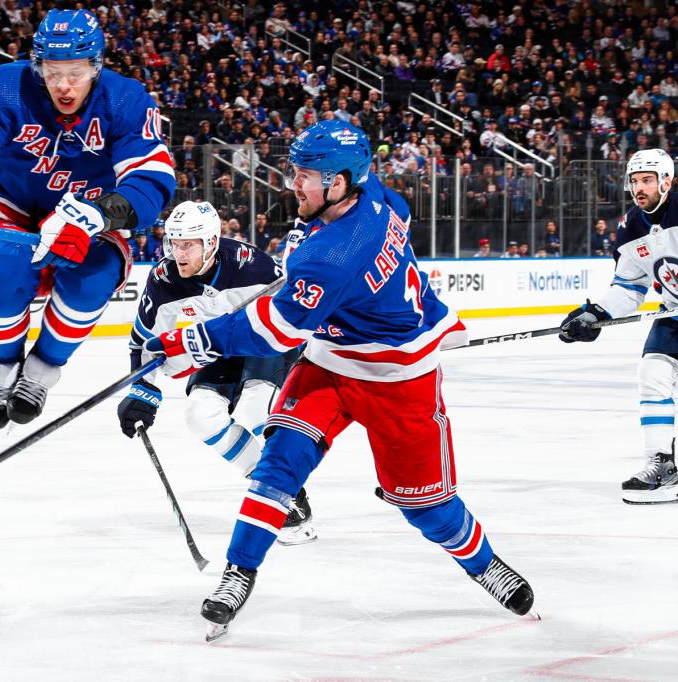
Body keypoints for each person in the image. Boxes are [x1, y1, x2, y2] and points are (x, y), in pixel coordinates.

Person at [144, 121, 535, 640]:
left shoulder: (336, 253)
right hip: (330, 361)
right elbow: (395, 216)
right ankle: (238, 571)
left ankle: (485, 564)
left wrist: (187, 341)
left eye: (305, 175)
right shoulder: (375, 194)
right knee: (280, 463)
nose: (293, 184)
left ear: (339, 181)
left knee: (427, 507)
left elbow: (275, 331)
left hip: (399, 378)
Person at [0, 9, 175, 438]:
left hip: (90, 215)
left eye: (75, 73)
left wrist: (98, 214)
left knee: (92, 278)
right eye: (52, 71)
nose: (63, 85)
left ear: (96, 65)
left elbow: (150, 180)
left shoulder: (125, 99)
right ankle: (1, 367)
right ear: (37, 64)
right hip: (12, 209)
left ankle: (41, 371)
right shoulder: (3, 87)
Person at [118, 200, 313, 544]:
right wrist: (142, 390)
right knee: (199, 414)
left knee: (256, 406)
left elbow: (293, 310)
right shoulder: (164, 280)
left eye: (188, 244)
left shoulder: (251, 266)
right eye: (174, 243)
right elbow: (142, 341)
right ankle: (276, 489)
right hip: (218, 344)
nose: (179, 253)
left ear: (210, 243)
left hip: (264, 339)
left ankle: (284, 489)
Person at [559, 149, 678, 504]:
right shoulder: (631, 228)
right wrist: (595, 314)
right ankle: (662, 463)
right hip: (672, 313)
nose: (639, 188)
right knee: (653, 369)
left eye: (647, 180)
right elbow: (629, 289)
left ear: (667, 181)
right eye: (634, 181)